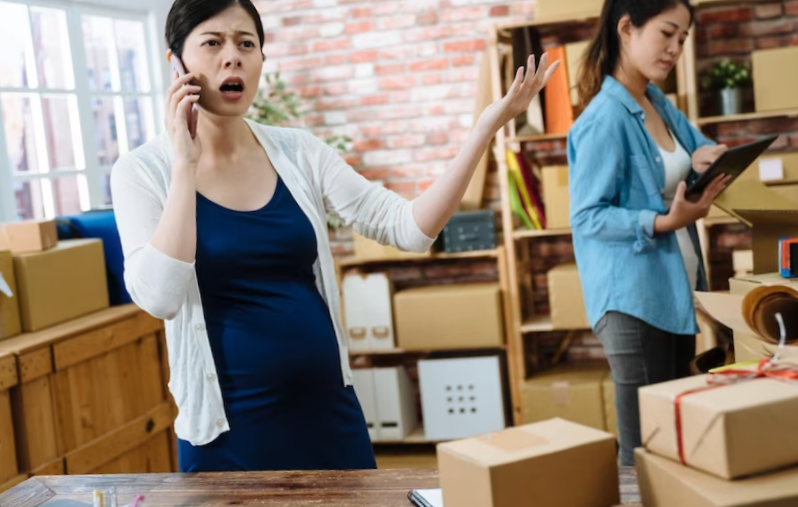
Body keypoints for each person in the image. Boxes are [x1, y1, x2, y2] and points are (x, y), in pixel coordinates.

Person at [111, 0, 559, 472]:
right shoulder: (143, 171)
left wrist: (483, 129)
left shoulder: (298, 152)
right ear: (175, 63)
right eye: (212, 43)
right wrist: (185, 164)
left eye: (247, 43)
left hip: (327, 414)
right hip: (227, 435)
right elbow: (160, 297)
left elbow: (409, 230)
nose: (233, 57)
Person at [567, 0, 730, 466]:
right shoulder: (603, 120)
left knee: (674, 435)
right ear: (627, 29)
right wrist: (662, 222)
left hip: (675, 293)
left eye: (683, 38)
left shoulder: (658, 103)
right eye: (667, 33)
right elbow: (587, 218)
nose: (676, 47)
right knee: (644, 446)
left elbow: (698, 150)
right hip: (633, 302)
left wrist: (708, 157)